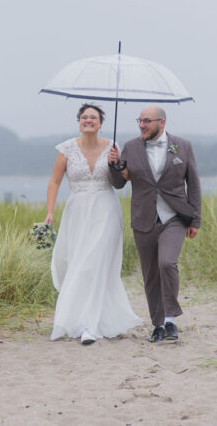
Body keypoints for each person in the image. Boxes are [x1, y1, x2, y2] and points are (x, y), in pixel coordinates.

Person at [44, 103, 143, 345]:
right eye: (84, 117)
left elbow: (122, 180)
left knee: (95, 264)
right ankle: (73, 319)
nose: (88, 120)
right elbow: (55, 182)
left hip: (106, 210)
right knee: (78, 263)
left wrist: (116, 164)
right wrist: (49, 213)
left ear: (100, 123)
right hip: (77, 211)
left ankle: (90, 325)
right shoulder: (66, 149)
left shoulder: (113, 147)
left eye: (94, 117)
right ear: (79, 121)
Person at [108, 105, 201, 344]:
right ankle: (158, 325)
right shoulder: (130, 147)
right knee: (150, 274)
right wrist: (113, 165)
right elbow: (119, 184)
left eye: (147, 121)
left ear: (162, 122)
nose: (141, 125)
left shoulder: (183, 146)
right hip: (143, 218)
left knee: (167, 263)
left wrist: (195, 219)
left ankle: (171, 319)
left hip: (175, 217)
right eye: (140, 120)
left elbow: (194, 183)